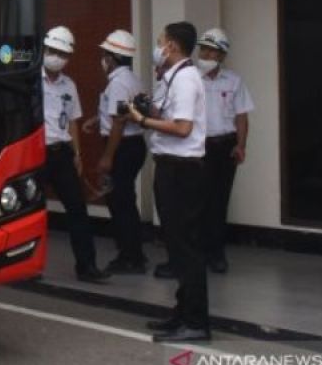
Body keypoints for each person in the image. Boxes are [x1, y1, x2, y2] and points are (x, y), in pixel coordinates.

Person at [126, 21, 210, 343]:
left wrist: (143, 120)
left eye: (161, 41)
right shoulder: (174, 77)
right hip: (170, 168)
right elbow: (171, 114)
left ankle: (196, 322)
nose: (158, 46)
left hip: (183, 171)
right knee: (176, 245)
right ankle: (182, 314)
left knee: (186, 247)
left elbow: (183, 127)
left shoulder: (186, 79)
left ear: (172, 46)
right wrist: (150, 107)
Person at [41, 26, 110, 284]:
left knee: (78, 210)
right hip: (34, 154)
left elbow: (72, 121)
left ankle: (87, 266)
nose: (56, 57)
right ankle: (25, 266)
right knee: (30, 213)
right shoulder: (30, 79)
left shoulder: (69, 84)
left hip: (62, 155)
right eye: (53, 51)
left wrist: (77, 153)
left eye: (62, 53)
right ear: (44, 49)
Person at [196, 28, 254, 274]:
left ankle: (216, 253)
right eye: (203, 49)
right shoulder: (191, 78)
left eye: (211, 51)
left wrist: (241, 146)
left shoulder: (233, 81)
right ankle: (195, 253)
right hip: (198, 147)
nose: (205, 54)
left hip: (224, 147)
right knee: (197, 201)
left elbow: (242, 116)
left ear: (221, 55)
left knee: (219, 201)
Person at [90, 29, 148, 274]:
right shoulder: (133, 80)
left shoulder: (117, 83)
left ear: (112, 58)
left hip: (122, 148)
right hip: (135, 146)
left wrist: (107, 157)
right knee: (126, 200)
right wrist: (97, 119)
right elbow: (123, 113)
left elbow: (119, 123)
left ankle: (129, 257)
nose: (102, 59)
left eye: (105, 55)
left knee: (120, 202)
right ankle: (135, 253)